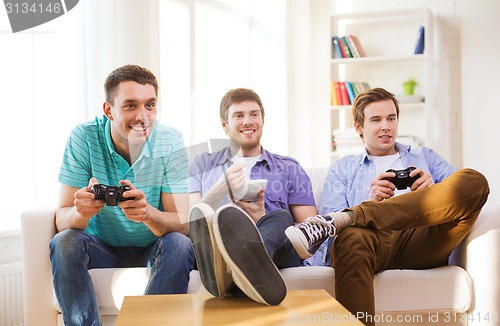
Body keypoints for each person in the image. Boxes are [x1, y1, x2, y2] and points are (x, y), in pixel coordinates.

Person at [286, 88, 489, 325]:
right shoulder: (343, 168)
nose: (386, 126)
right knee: (350, 235)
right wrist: (371, 201)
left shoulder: (426, 156)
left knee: (475, 181)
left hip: (422, 237)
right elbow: (331, 238)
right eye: (376, 120)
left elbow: (463, 196)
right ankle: (358, 215)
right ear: (359, 127)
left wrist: (432, 192)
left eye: (391, 118)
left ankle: (354, 215)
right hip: (372, 242)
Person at [49, 64, 194, 326]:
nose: (143, 117)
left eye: (150, 105)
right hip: (101, 248)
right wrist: (81, 213)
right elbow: (61, 219)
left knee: (180, 244)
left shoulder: (169, 140)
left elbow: (181, 223)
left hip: (152, 248)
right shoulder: (83, 137)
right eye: (130, 106)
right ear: (109, 110)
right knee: (65, 241)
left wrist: (148, 213)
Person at [188, 88, 318, 306]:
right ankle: (243, 270)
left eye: (254, 114)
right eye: (238, 115)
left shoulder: (289, 167)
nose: (248, 121)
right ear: (224, 125)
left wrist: (262, 216)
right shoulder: (202, 164)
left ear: (263, 120)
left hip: (278, 249)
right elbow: (191, 222)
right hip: (218, 248)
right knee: (225, 219)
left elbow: (311, 229)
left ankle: (236, 268)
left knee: (281, 217)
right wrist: (220, 189)